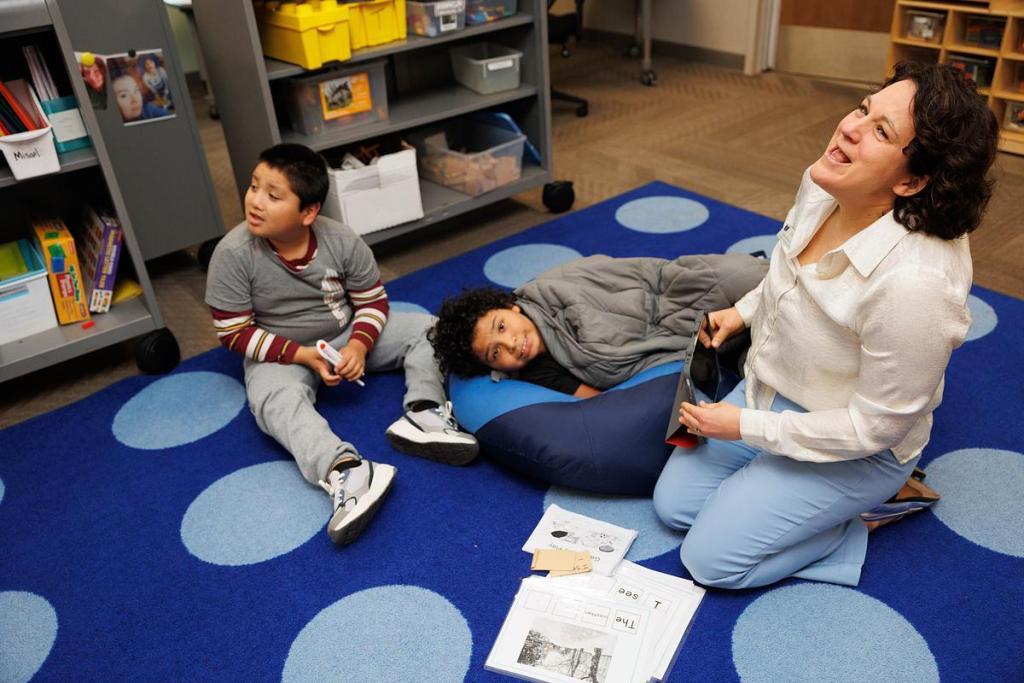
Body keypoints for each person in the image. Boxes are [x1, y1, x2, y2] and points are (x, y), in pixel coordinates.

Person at [652, 61, 999, 589]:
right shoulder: (828, 179)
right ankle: (776, 500)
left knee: (710, 561)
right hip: (775, 388)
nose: (849, 127)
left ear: (912, 180)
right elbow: (789, 269)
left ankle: (858, 519)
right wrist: (743, 311)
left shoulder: (917, 286)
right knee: (675, 508)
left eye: (880, 131)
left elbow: (873, 428)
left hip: (858, 444)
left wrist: (744, 426)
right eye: (865, 108)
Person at [205, 143, 479, 545]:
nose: (255, 202)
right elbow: (233, 331)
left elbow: (371, 300)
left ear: (308, 212)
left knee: (430, 328)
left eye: (273, 195)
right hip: (281, 350)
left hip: (344, 331)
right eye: (253, 187)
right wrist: (302, 356)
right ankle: (347, 469)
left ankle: (423, 411)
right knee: (273, 401)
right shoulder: (232, 253)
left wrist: (358, 347)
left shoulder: (340, 239)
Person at [429, 253, 769, 396]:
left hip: (666, 293)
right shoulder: (540, 372)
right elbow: (595, 399)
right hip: (671, 335)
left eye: (501, 328)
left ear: (509, 307)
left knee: (748, 275)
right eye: (494, 353)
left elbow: (632, 273)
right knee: (762, 361)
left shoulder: (550, 288)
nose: (511, 345)